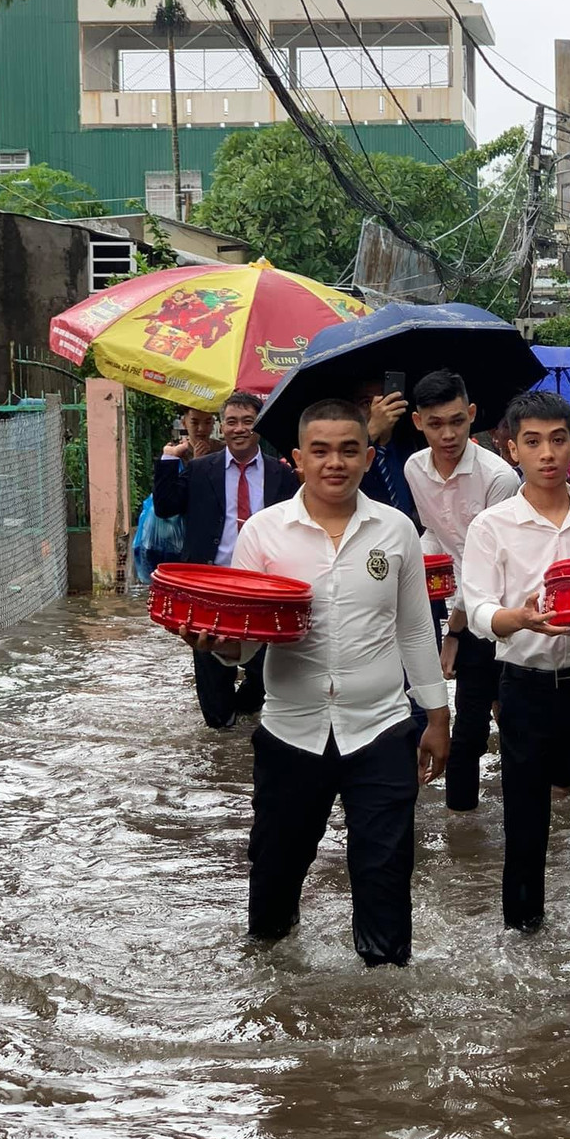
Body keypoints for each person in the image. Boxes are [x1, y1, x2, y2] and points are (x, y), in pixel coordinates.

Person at [183, 397, 450, 962]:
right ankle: (273, 990)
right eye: (322, 451)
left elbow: (413, 627)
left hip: (380, 727)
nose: (336, 463)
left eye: (349, 450)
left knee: (384, 870)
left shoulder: (395, 530)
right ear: (298, 460)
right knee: (276, 875)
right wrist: (220, 647)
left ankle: (386, 1008)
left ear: (367, 456)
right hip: (290, 729)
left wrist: (437, 714)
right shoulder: (264, 534)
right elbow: (246, 638)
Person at [461, 389, 570, 931]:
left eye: (557, 440)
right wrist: (518, 618)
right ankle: (524, 935)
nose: (547, 454)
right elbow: (477, 609)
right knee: (526, 825)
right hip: (524, 690)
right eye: (533, 442)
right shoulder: (491, 526)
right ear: (512, 449)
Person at [403, 369, 520, 812]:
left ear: (471, 415)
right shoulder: (415, 469)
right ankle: (462, 827)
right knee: (468, 727)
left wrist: (452, 630)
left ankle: (551, 790)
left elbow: (486, 562)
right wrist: (411, 571)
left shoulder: (498, 477)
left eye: (457, 421)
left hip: (505, 610)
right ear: (418, 422)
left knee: (518, 714)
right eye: (435, 424)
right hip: (460, 609)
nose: (447, 434)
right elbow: (434, 534)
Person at [154, 388, 299, 730]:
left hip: (263, 588)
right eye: (230, 421)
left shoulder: (282, 474)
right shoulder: (202, 469)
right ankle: (222, 732)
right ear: (222, 426)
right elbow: (165, 506)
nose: (238, 428)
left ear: (259, 425)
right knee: (211, 677)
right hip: (210, 586)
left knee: (267, 672)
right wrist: (169, 460)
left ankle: (245, 714)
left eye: (247, 421)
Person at [353, 378, 419, 523]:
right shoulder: (350, 456)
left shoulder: (412, 444)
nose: (379, 410)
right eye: (366, 403)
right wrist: (371, 432)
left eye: (386, 400)